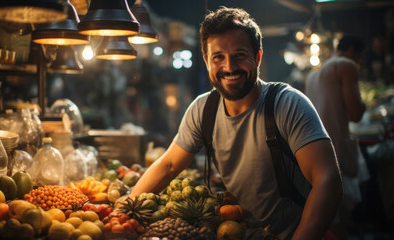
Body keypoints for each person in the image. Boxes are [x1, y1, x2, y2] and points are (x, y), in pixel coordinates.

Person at [128, 6, 342, 239]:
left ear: (257, 56)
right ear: (207, 61)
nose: (229, 67)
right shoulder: (203, 109)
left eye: (239, 55)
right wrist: (125, 205)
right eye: (218, 57)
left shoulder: (287, 104)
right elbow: (169, 165)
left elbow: (327, 181)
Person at [305, 35, 366, 240]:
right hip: (337, 150)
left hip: (314, 154)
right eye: (358, 56)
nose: (358, 61)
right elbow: (356, 114)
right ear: (351, 51)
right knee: (342, 221)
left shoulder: (313, 74)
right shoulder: (346, 65)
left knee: (329, 221)